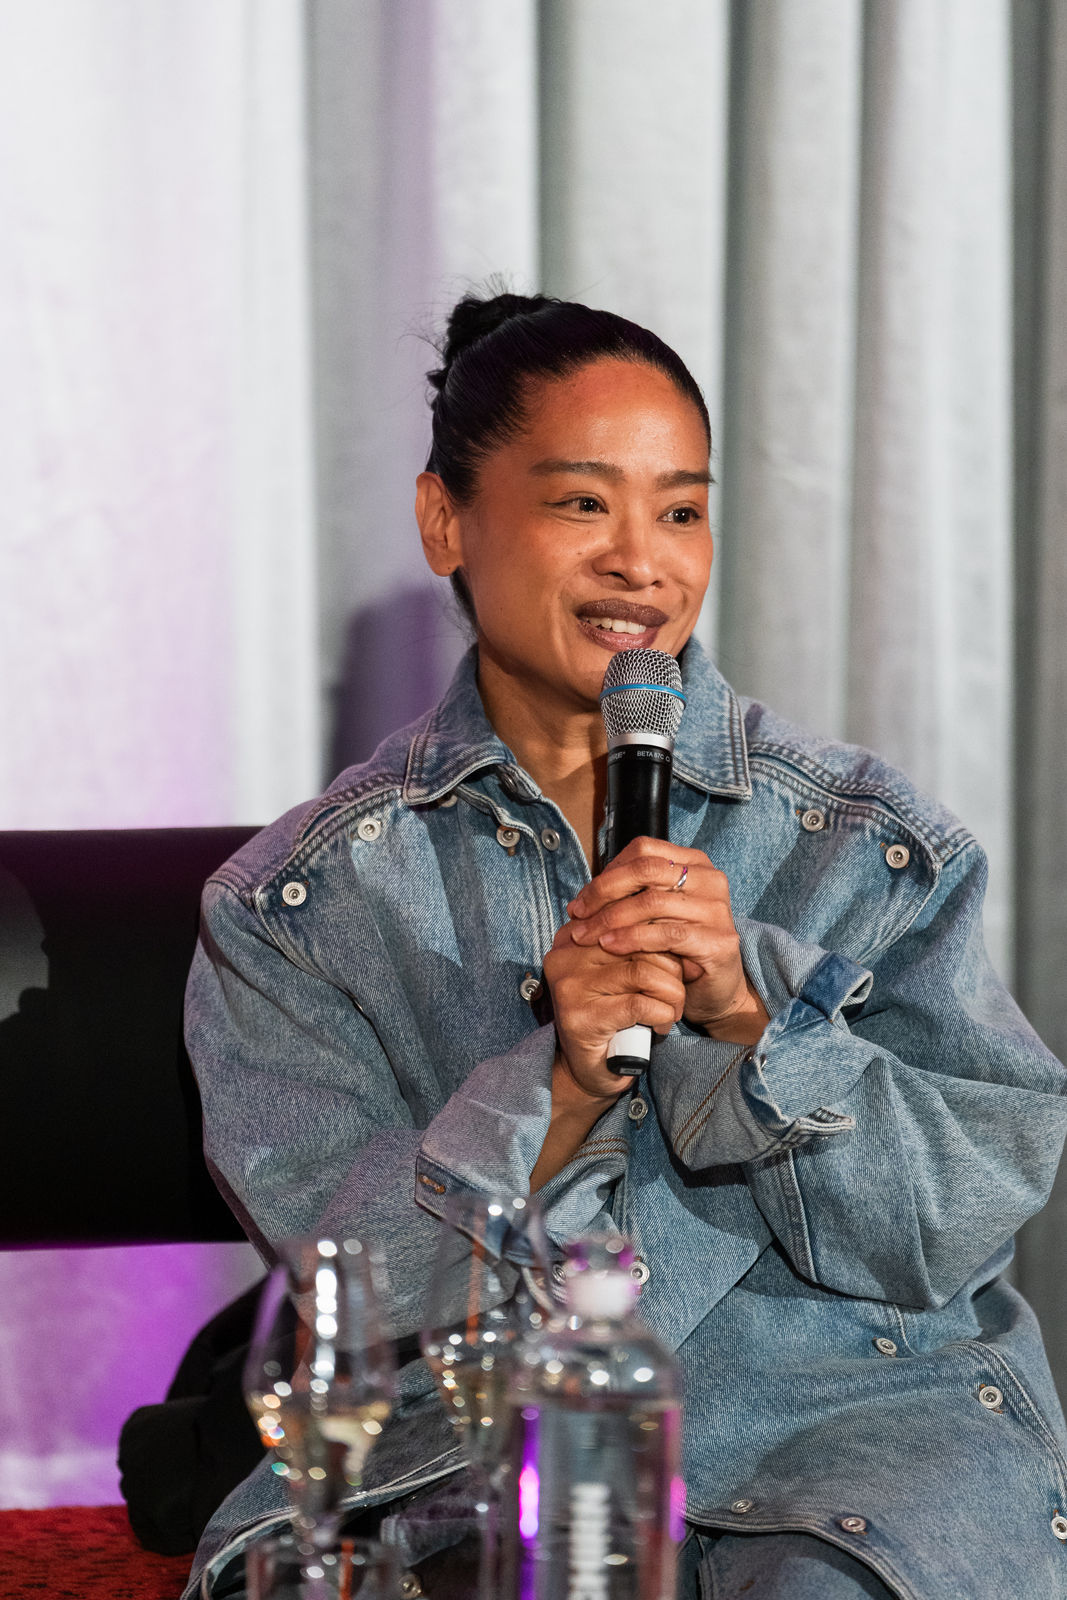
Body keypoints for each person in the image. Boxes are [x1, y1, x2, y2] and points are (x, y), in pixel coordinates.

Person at [183, 291, 1067, 1599]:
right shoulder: (297, 908)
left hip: (848, 1455)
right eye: (583, 503)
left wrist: (759, 1024)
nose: (640, 561)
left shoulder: (865, 844)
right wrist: (557, 1087)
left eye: (681, 508)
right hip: (470, 1459)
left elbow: (954, 1224)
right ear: (446, 521)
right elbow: (343, 1292)